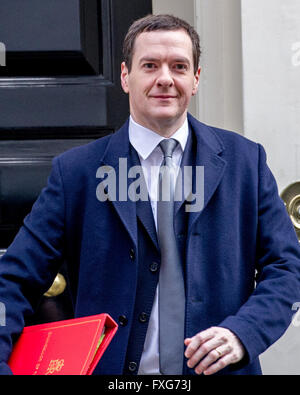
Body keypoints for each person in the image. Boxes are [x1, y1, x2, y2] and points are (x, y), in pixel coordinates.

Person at [0, 14, 300, 376]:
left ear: (196, 79)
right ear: (126, 77)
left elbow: (288, 268)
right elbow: (13, 280)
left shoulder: (246, 163)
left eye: (178, 66)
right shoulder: (76, 173)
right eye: (150, 65)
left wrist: (244, 333)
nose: (165, 78)